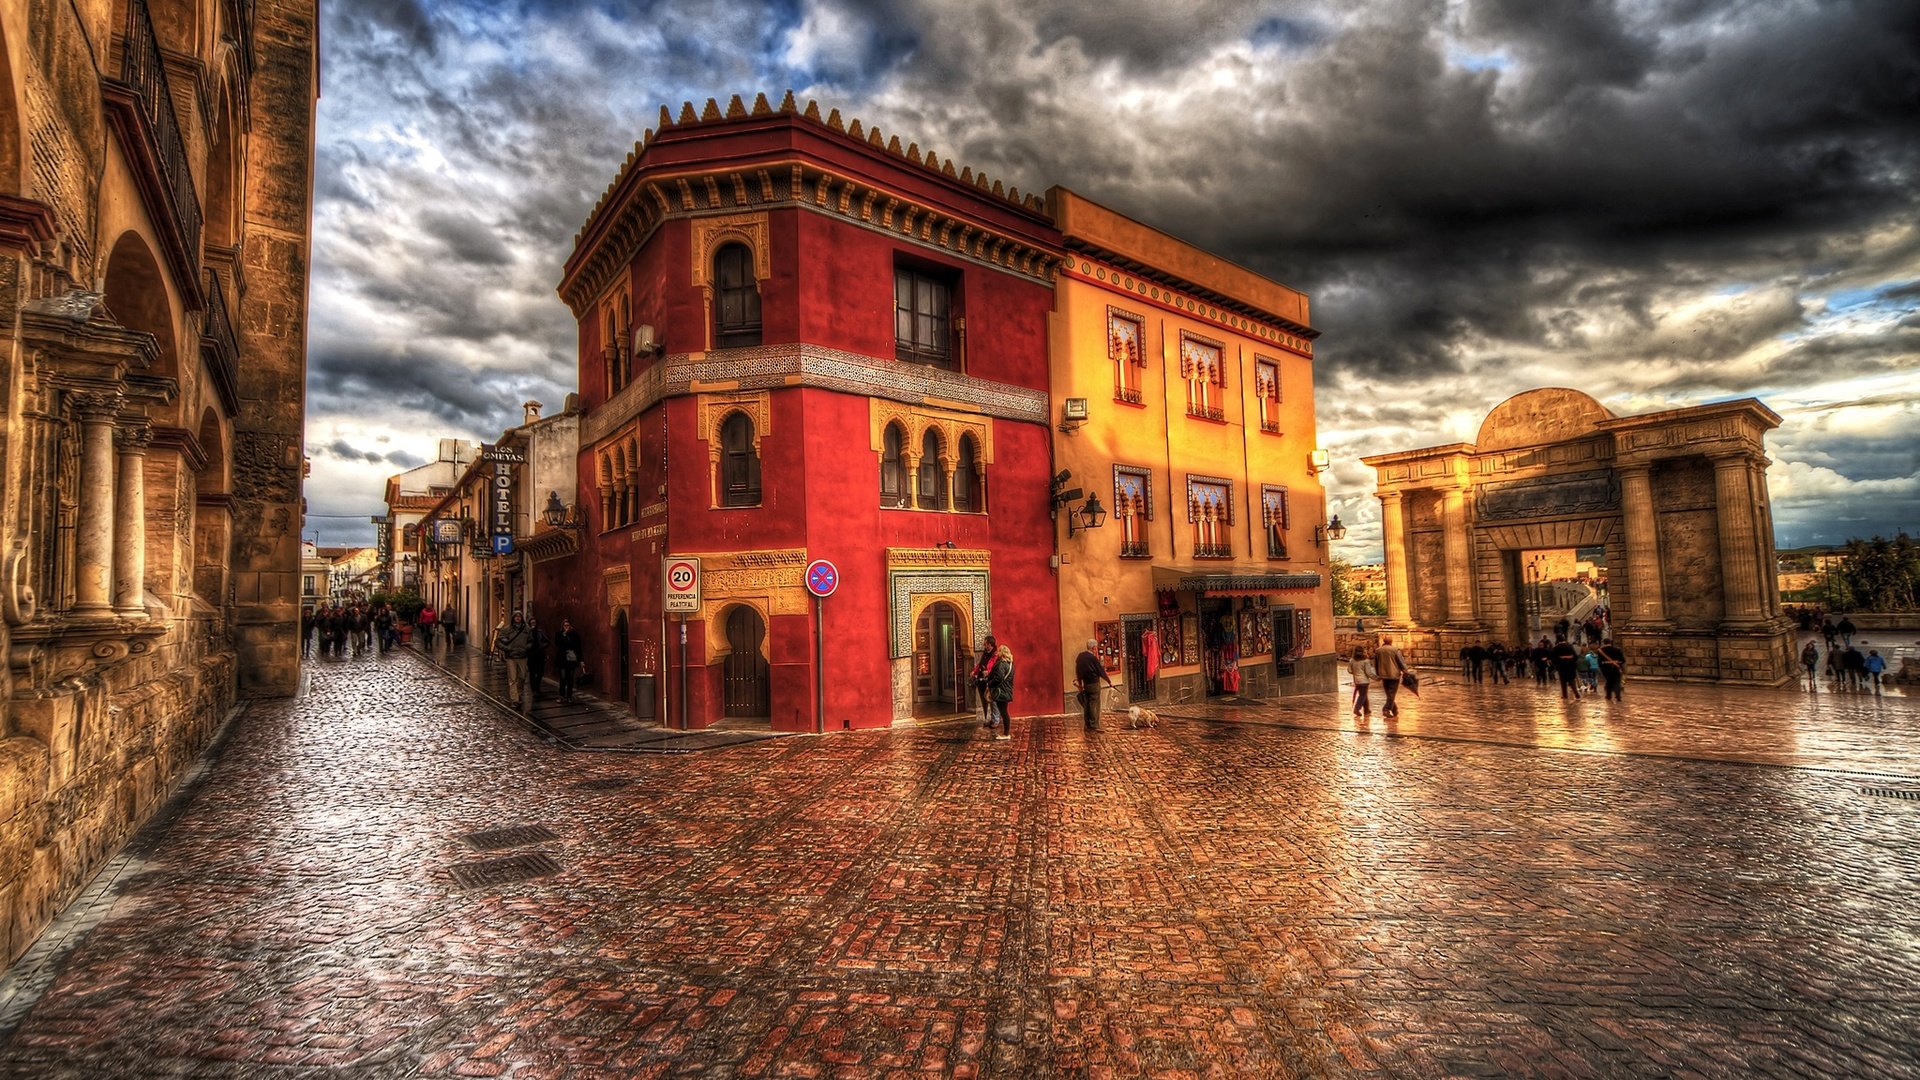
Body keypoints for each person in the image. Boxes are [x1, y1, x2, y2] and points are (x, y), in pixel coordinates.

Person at [494, 611, 534, 712]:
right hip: (511, 657)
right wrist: (506, 648)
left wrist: (526, 648)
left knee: (522, 677)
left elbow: (531, 641)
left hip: (522, 656)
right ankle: (514, 699)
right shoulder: (506, 630)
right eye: (516, 616)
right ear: (513, 618)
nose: (517, 618)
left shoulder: (527, 630)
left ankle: (519, 694)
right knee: (512, 678)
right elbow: (498, 641)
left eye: (519, 616)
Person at [1074, 638, 1115, 732]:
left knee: (1087, 704)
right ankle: (1094, 725)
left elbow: (1078, 671)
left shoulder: (1080, 657)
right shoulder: (1092, 658)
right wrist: (1109, 682)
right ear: (1094, 648)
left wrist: (1080, 683)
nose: (1096, 649)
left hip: (1086, 683)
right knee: (1094, 704)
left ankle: (1087, 725)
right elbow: (1101, 671)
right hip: (1094, 683)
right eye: (1096, 648)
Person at [1372, 636, 1409, 719]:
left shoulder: (1378, 650)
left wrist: (1378, 674)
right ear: (1391, 642)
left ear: (1384, 641)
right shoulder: (1395, 650)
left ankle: (1394, 710)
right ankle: (1386, 709)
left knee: (1389, 694)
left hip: (1384, 675)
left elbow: (1376, 663)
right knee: (1391, 694)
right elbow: (1400, 662)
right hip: (1394, 675)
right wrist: (1405, 671)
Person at [970, 635, 1000, 728]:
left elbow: (996, 667)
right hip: (983, 679)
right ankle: (991, 719)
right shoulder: (985, 653)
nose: (984, 645)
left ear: (990, 644)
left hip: (992, 679)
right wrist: (974, 671)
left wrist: (988, 672)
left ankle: (996, 720)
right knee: (987, 699)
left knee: (993, 700)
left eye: (985, 644)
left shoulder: (995, 655)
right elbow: (980, 664)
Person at [988, 643, 1015, 740]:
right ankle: (1006, 732)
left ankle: (1006, 733)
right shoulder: (1010, 664)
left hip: (1001, 691)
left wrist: (990, 683)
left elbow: (998, 678)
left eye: (999, 651)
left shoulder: (1001, 664)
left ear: (1002, 652)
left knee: (1004, 712)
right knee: (1004, 712)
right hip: (1006, 690)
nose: (997, 653)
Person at [525, 615, 550, 700]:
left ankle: (537, 687)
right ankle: (534, 690)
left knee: (540, 673)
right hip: (531, 655)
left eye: (534, 623)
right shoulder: (527, 632)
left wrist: (542, 646)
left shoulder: (540, 632)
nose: (533, 624)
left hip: (540, 654)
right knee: (532, 673)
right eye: (532, 623)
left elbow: (547, 641)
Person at [1551, 634, 1581, 700]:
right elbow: (1575, 657)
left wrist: (1559, 662)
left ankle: (1565, 695)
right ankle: (1576, 693)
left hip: (1562, 667)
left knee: (1563, 681)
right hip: (1571, 666)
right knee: (1572, 680)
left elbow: (1554, 659)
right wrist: (1570, 659)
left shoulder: (1556, 648)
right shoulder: (1570, 646)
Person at [1348, 645, 1373, 719]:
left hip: (1357, 681)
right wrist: (1376, 677)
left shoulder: (1352, 660)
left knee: (1364, 694)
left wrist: (1355, 673)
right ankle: (1357, 708)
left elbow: (1349, 670)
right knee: (1362, 695)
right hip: (1364, 681)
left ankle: (1367, 710)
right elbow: (1368, 673)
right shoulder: (1366, 661)